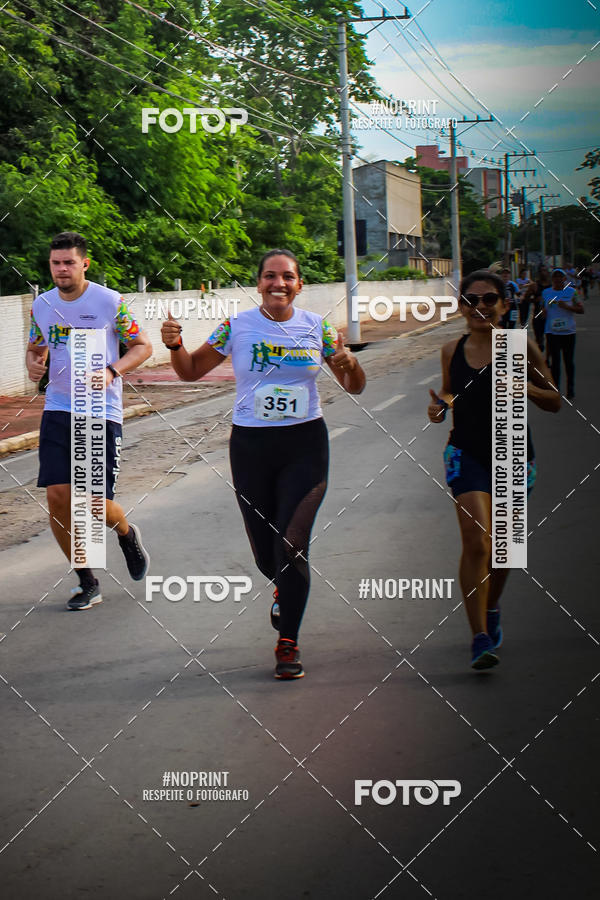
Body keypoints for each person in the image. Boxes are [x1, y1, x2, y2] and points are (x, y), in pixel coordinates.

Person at [161, 249, 366, 679]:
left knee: (291, 544)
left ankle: (287, 643)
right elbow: (190, 372)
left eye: (287, 277)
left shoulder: (318, 328)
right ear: (258, 284)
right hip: (251, 447)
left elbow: (354, 386)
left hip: (305, 446)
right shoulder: (236, 327)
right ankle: (283, 589)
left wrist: (349, 364)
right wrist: (174, 344)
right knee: (265, 551)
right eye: (270, 276)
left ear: (299, 285)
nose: (279, 284)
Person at [427, 269, 560, 669]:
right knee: (478, 542)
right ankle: (479, 637)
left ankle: (492, 605)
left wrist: (526, 388)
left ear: (504, 305)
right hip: (465, 453)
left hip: (514, 453)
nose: (480, 307)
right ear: (461, 306)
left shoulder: (521, 346)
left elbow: (553, 400)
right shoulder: (452, 348)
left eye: (489, 299)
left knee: (505, 552)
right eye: (471, 300)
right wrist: (441, 407)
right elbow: (450, 389)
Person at [26, 232, 152, 610]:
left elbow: (143, 346)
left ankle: (127, 534)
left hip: (101, 410)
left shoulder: (109, 302)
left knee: (92, 503)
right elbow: (37, 346)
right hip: (59, 407)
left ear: (85, 264)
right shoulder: (42, 305)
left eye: (68, 263)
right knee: (59, 498)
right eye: (55, 263)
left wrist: (113, 370)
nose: (61, 270)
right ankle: (87, 580)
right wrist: (34, 362)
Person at [541, 268, 584, 400]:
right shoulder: (546, 292)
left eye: (560, 277)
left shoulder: (572, 292)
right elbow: (543, 309)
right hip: (552, 332)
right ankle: (555, 389)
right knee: (555, 362)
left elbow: (581, 309)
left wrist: (567, 307)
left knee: (568, 361)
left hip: (568, 332)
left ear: (565, 279)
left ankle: (570, 389)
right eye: (555, 277)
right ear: (552, 279)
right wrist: (543, 313)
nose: (558, 279)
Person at [522, 265, 551, 352]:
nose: (543, 273)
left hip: (551, 315)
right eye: (541, 271)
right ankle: (540, 345)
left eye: (545, 271)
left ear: (548, 272)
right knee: (539, 339)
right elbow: (526, 298)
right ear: (539, 273)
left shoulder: (552, 285)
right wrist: (534, 300)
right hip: (538, 314)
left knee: (551, 339)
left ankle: (548, 359)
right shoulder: (534, 285)